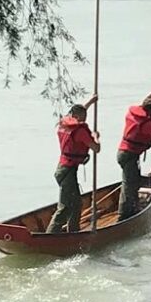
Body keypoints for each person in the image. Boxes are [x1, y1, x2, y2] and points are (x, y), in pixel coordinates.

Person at [46, 95, 101, 233]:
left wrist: (91, 101)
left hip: (63, 168)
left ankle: (73, 232)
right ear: (79, 116)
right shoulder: (81, 131)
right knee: (65, 207)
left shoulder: (64, 124)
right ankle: (50, 235)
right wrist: (95, 136)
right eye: (84, 116)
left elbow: (80, 111)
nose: (85, 119)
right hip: (68, 171)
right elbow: (96, 148)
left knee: (76, 203)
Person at [117, 81, 151, 221]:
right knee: (130, 185)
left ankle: (132, 206)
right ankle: (124, 215)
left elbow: (146, 100)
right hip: (129, 155)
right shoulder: (147, 124)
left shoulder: (135, 114)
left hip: (124, 152)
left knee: (131, 181)